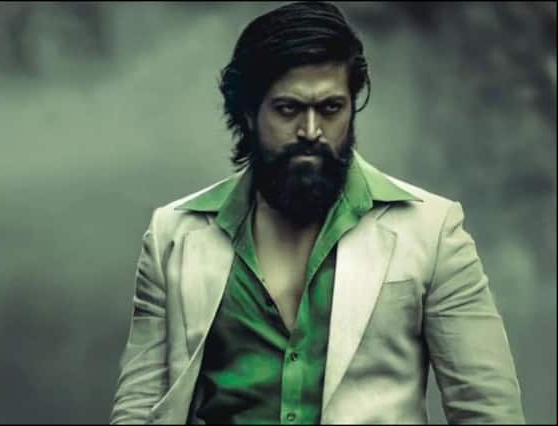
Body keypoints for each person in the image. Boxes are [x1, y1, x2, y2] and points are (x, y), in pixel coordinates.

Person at [110, 2, 525, 424]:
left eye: (330, 108)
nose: (311, 131)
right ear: (248, 113)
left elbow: (488, 410)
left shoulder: (433, 231)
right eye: (288, 109)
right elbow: (139, 409)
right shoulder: (174, 236)